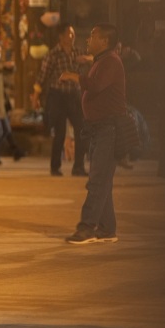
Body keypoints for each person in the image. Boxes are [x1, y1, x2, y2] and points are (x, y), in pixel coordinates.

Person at [60, 23, 127, 244]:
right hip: (99, 129)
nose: (88, 40)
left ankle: (87, 227)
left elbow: (95, 86)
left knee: (97, 180)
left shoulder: (110, 62)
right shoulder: (101, 61)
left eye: (92, 36)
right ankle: (107, 229)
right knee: (102, 180)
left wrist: (73, 76)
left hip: (109, 129)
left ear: (105, 41)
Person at [31, 23, 88, 177]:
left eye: (73, 33)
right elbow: (42, 76)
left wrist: (87, 60)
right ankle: (55, 167)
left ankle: (78, 167)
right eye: (69, 33)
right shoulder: (53, 54)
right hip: (58, 96)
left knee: (81, 129)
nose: (72, 36)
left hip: (75, 95)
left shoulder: (78, 53)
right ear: (61, 36)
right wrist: (35, 97)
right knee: (60, 132)